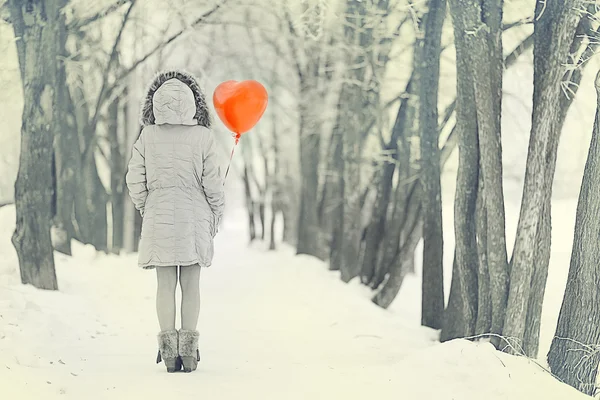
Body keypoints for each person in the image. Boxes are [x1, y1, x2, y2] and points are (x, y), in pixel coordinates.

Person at [126, 70, 225, 373]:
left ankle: (169, 354)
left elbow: (134, 180)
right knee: (191, 285)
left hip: (159, 216)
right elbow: (213, 184)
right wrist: (216, 212)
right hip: (194, 217)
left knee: (165, 285)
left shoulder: (147, 135)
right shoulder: (203, 137)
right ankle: (190, 354)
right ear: (194, 103)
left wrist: (148, 207)